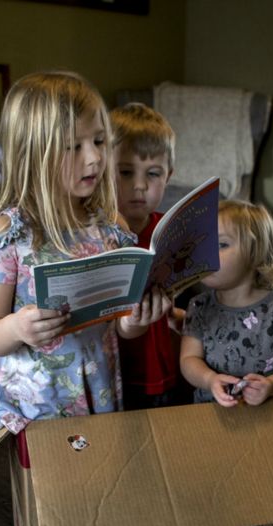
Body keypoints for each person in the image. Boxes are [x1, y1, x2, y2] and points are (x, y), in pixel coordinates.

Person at [0, 71, 170, 434]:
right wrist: (16, 327)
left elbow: (120, 325)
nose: (94, 158)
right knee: (46, 487)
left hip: (100, 387)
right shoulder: (7, 234)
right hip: (35, 402)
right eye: (74, 146)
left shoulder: (110, 224)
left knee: (95, 476)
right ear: (34, 153)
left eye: (99, 141)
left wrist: (136, 321)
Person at [180, 200, 273, 407]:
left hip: (267, 414)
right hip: (210, 414)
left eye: (221, 245)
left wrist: (272, 385)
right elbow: (189, 359)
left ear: (254, 252)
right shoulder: (199, 307)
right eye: (202, 245)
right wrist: (210, 380)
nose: (205, 254)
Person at [110, 103, 187, 409]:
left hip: (165, 366)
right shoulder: (99, 236)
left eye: (153, 174)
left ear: (169, 175)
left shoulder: (167, 229)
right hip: (119, 373)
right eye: (126, 172)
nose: (139, 185)